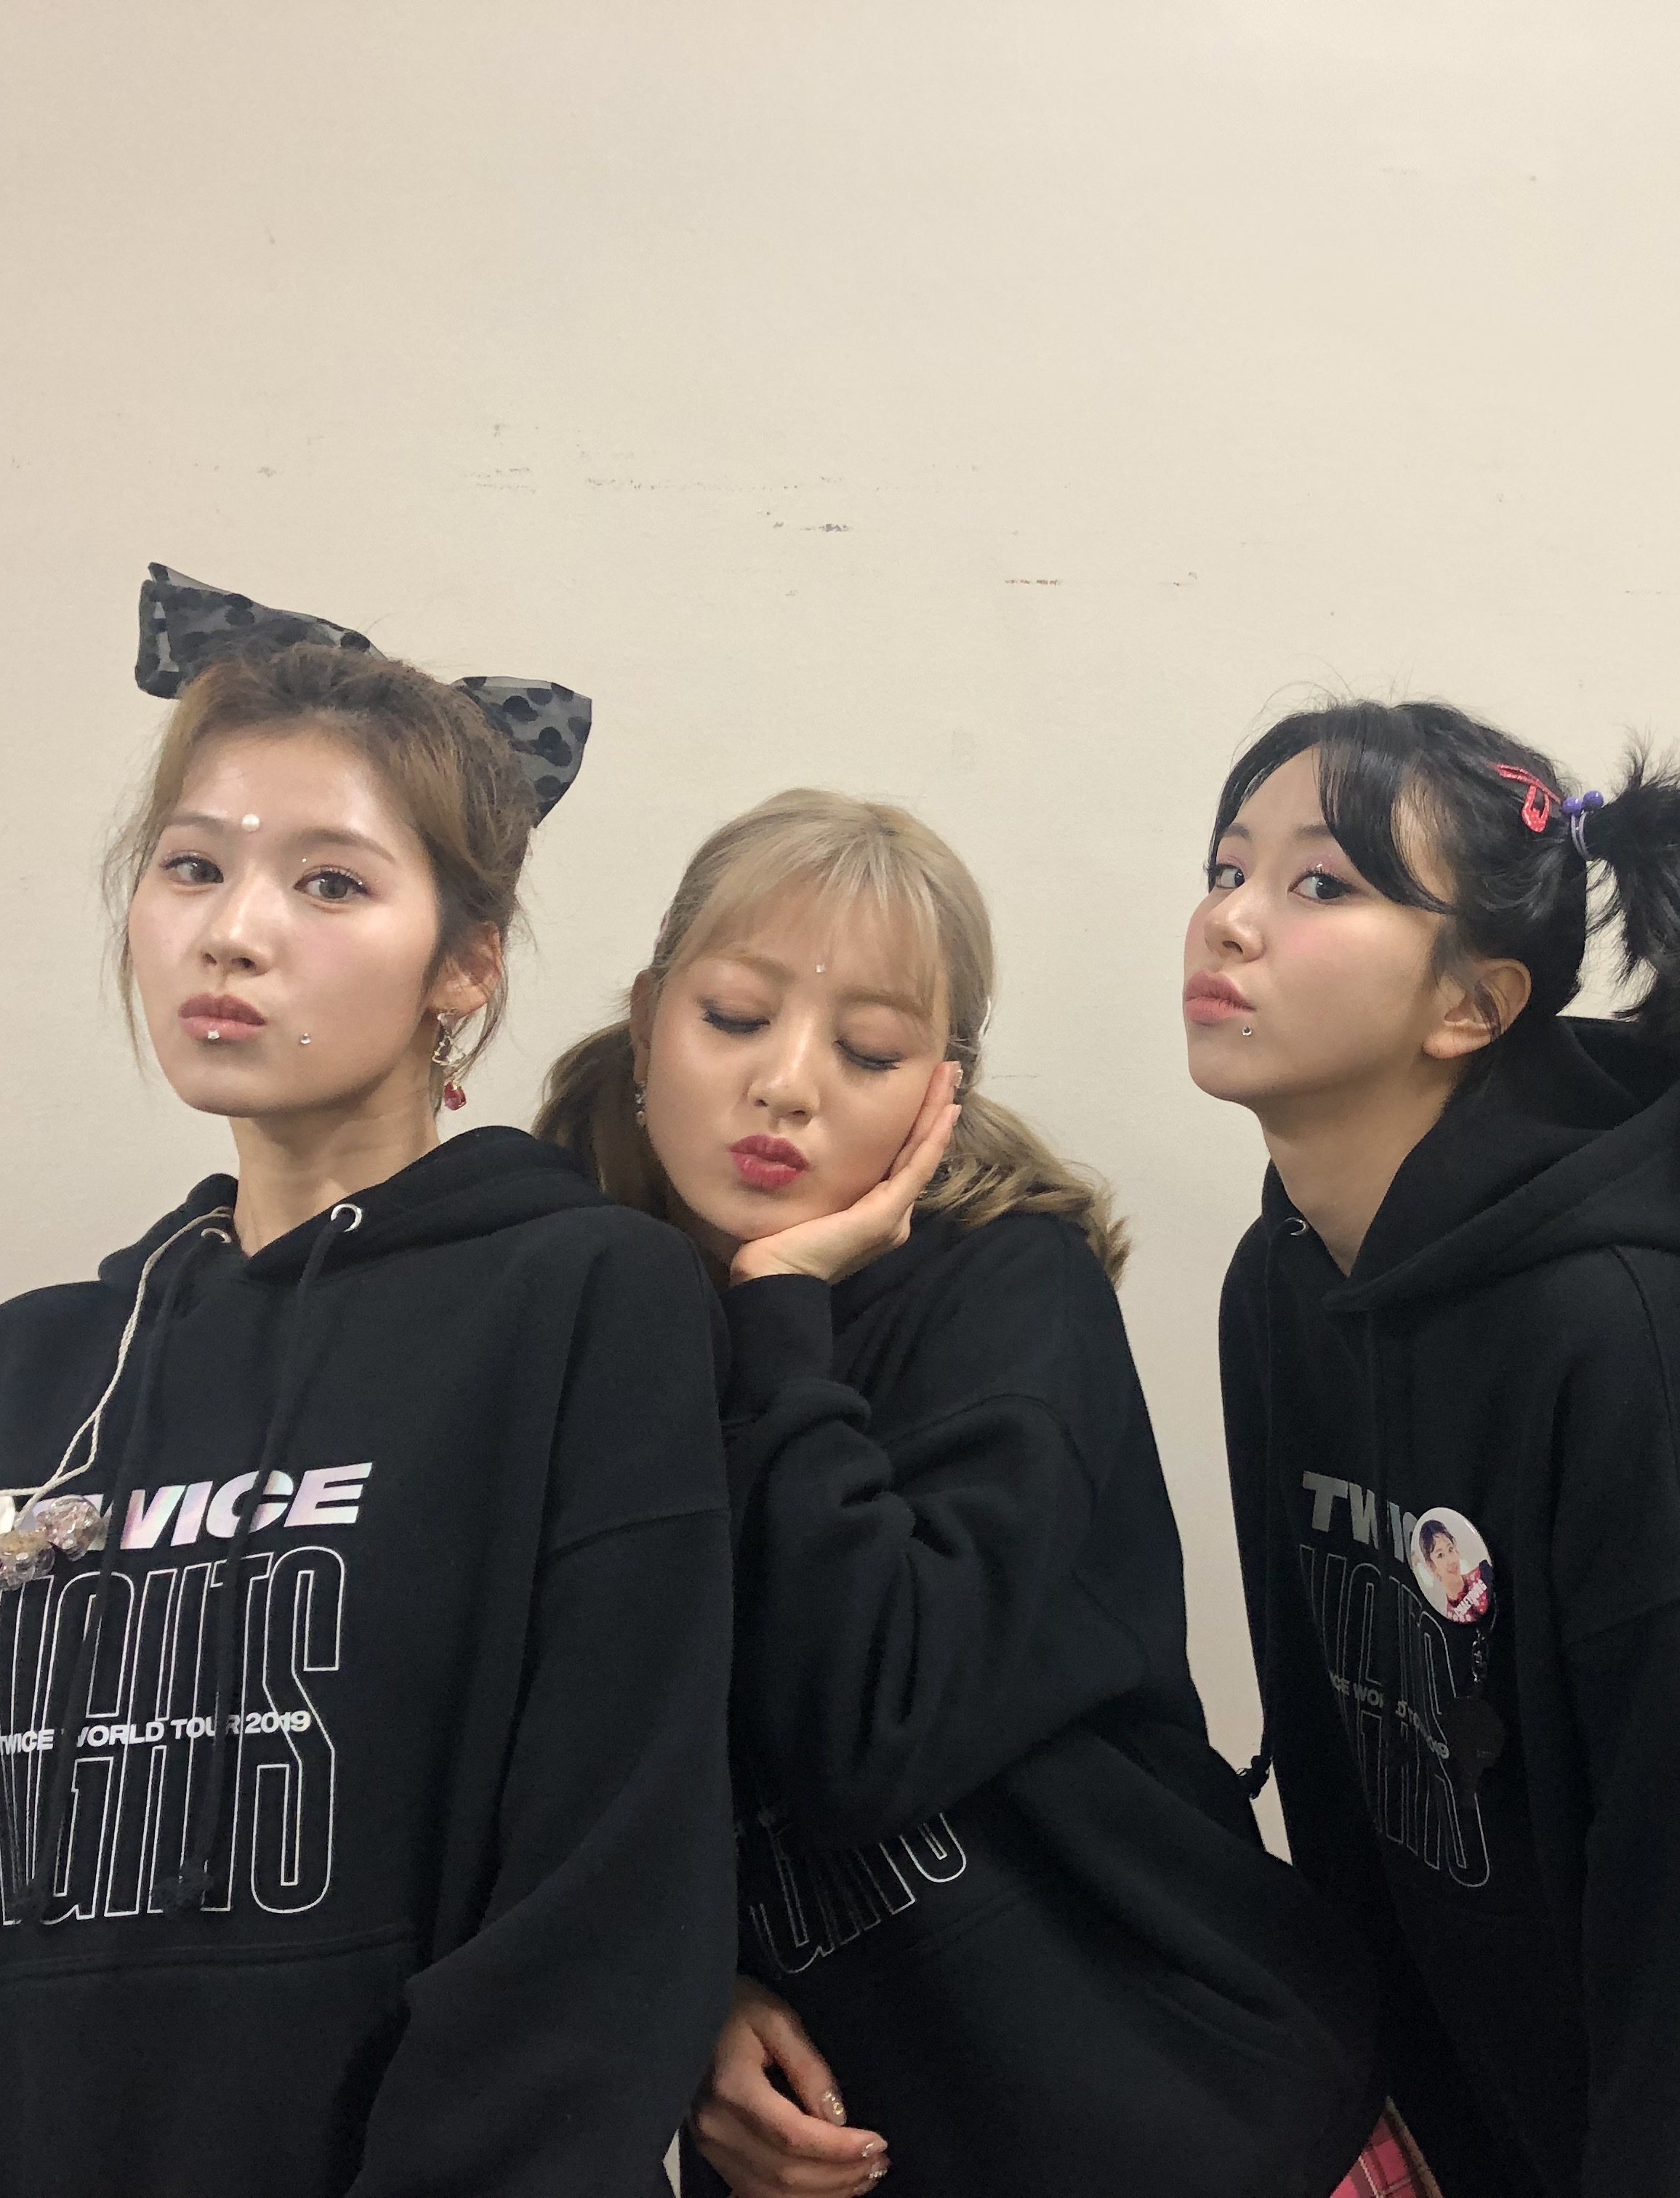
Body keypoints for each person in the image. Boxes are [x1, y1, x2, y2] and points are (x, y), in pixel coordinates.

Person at [0, 571, 736, 2197]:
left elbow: (611, 1883)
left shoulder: (581, 1300)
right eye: (192, 865)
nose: (234, 931)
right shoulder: (14, 1379)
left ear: (465, 962)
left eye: (331, 883)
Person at [538, 789, 1383, 2198]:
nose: (787, 1085)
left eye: (868, 1050)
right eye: (734, 1018)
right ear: (646, 1022)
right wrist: (690, 2002)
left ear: (945, 1088)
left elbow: (874, 1727)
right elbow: (567, 1775)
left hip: (1194, 2129)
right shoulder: (571, 1328)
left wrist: (780, 1313)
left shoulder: (1012, 1296)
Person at [1193, 700, 1680, 2196]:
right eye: (1227, 868)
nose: (1231, 922)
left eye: (1320, 883)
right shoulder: (1281, 1280)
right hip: (1480, 2115)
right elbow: (1338, 1760)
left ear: (1473, 1004)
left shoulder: (1635, 1342)